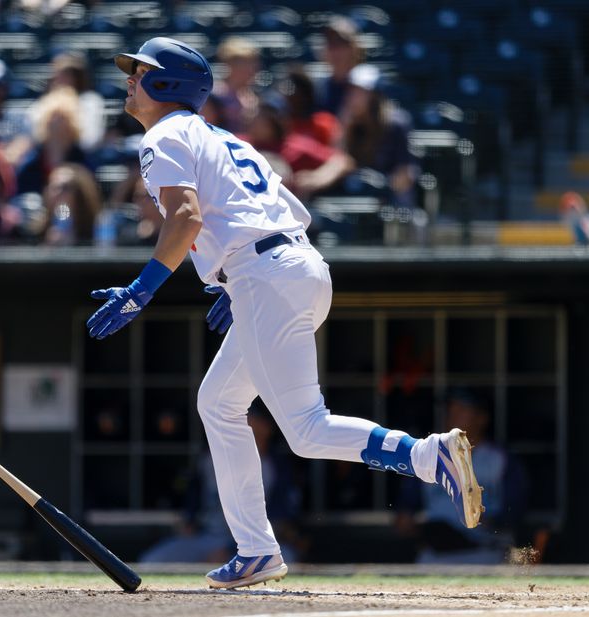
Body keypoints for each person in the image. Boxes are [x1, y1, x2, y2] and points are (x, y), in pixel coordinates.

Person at [86, 37, 483, 590]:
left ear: (166, 84)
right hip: (292, 265)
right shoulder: (226, 139)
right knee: (219, 404)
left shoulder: (165, 133)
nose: (130, 80)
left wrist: (142, 289)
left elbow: (185, 217)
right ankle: (256, 548)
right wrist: (234, 278)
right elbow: (284, 210)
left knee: (304, 429)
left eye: (140, 71)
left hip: (266, 275)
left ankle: (425, 455)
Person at [140, 410, 303, 563]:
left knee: (286, 558)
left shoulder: (275, 466)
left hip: (254, 543)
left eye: (251, 420)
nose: (244, 426)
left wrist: (228, 549)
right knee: (153, 560)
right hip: (207, 537)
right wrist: (189, 521)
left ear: (267, 427)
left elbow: (282, 518)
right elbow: (194, 497)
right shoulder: (209, 458)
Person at [395, 390, 527, 564]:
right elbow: (405, 513)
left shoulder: (500, 459)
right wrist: (414, 525)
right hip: (435, 556)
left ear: (482, 418)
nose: (452, 414)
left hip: (484, 553)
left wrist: (482, 521)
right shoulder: (429, 455)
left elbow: (515, 511)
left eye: (462, 409)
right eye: (451, 409)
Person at [244, 96, 354, 200]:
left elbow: (342, 161)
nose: (255, 119)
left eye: (263, 115)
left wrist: (317, 177)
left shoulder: (294, 146)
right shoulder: (240, 143)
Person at [341, 64, 419, 207]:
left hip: (391, 199)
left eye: (361, 92)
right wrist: (345, 128)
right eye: (352, 91)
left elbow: (405, 174)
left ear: (375, 96)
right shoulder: (350, 122)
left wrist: (381, 189)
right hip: (357, 196)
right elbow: (341, 161)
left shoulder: (396, 123)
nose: (353, 97)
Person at [14, 87, 87, 196]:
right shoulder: (31, 163)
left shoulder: (82, 161)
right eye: (53, 116)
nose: (57, 123)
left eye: (63, 118)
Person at [48, 53, 107, 152]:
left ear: (75, 78)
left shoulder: (90, 101)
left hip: (81, 157)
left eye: (63, 75)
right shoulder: (49, 100)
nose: (57, 80)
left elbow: (90, 140)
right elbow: (36, 136)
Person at [41, 163, 101, 246]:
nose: (57, 193)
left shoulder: (98, 227)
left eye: (65, 188)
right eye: (53, 187)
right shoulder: (37, 229)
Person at [212, 36, 261, 134]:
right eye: (244, 64)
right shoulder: (215, 94)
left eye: (253, 64)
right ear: (230, 64)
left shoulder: (252, 96)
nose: (252, 70)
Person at [316, 16, 363, 115]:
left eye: (340, 43)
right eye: (330, 44)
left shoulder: (366, 87)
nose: (335, 51)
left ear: (355, 48)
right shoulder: (317, 91)